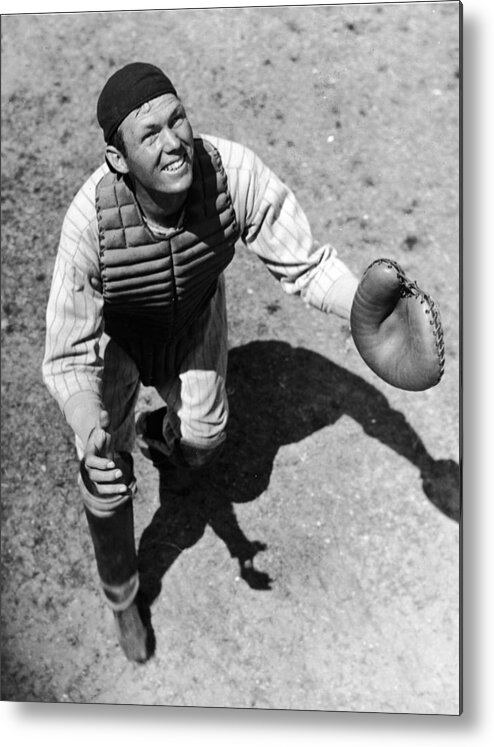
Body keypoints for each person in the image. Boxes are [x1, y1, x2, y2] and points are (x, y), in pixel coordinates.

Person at [42, 62, 360, 663]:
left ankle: (161, 431)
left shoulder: (229, 171)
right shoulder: (90, 223)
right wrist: (89, 431)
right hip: (119, 341)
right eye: (150, 134)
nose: (173, 142)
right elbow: (67, 352)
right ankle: (123, 598)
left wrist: (364, 306)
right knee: (105, 477)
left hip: (193, 319)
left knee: (206, 438)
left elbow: (307, 263)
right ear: (118, 158)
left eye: (177, 119)